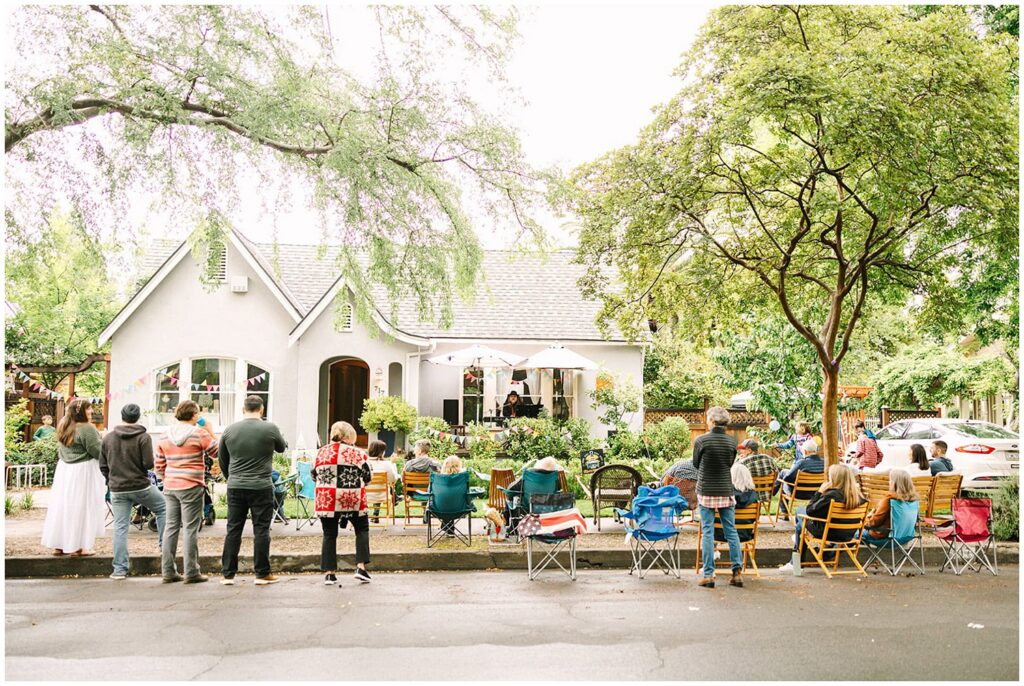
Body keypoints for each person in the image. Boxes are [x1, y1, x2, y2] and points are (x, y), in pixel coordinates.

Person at [218, 395, 287, 586]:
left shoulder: (230, 430)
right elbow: (282, 448)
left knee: (233, 529)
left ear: (243, 409)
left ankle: (227, 574)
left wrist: (231, 477)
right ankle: (262, 573)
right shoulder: (270, 428)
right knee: (262, 530)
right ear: (262, 410)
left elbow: (222, 459)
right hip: (261, 486)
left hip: (236, 486)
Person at [100, 403, 167, 580]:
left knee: (121, 527)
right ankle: (164, 549)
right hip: (140, 486)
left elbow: (103, 465)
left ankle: (119, 570)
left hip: (117, 489)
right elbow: (148, 464)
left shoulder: (108, 438)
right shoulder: (143, 437)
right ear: (138, 417)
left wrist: (111, 480)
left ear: (122, 416)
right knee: (162, 508)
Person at [155, 400, 217, 584]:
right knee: (190, 528)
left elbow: (158, 464)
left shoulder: (165, 435)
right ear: (194, 415)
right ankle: (191, 571)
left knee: (171, 527)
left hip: (171, 485)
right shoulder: (199, 433)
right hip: (191, 485)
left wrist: (166, 478)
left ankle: (168, 571)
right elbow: (215, 451)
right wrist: (210, 430)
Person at [41, 399, 106, 557]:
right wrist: (104, 438)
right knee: (82, 507)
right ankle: (80, 547)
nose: (91, 412)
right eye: (89, 409)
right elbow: (97, 451)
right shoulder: (87, 428)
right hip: (83, 471)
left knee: (63, 506)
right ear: (81, 411)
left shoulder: (64, 425)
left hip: (65, 470)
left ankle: (59, 545)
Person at [314, 421, 372, 586]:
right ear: (349, 436)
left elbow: (313, 475)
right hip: (351, 498)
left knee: (329, 534)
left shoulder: (320, 453)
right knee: (361, 529)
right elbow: (368, 476)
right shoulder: (357, 453)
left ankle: (329, 573)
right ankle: (361, 567)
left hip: (327, 499)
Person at [692, 406, 743, 589]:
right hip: (725, 489)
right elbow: (729, 463)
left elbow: (696, 464)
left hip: (706, 489)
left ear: (712, 421)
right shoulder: (732, 442)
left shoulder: (701, 440)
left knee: (708, 532)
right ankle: (737, 572)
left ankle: (708, 574)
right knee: (731, 531)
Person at [782, 463, 865, 571]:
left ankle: (796, 563)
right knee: (800, 527)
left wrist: (819, 492)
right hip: (848, 534)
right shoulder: (859, 496)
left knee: (799, 514)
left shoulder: (832, 495)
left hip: (828, 533)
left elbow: (810, 510)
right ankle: (799, 552)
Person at [862, 469, 918, 539]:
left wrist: (865, 519)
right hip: (905, 537)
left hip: (884, 536)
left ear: (894, 483)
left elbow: (874, 522)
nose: (889, 482)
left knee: (854, 534)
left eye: (890, 480)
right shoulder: (913, 500)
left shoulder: (889, 499)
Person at [773, 439, 825, 511]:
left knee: (783, 475)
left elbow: (788, 478)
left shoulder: (801, 463)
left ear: (805, 451)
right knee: (784, 473)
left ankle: (783, 511)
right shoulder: (825, 463)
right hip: (817, 493)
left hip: (799, 493)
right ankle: (773, 492)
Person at [366, 440, 397, 523]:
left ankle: (368, 516)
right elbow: (393, 480)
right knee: (380, 488)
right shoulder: (386, 464)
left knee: (375, 488)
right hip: (381, 496)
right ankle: (376, 515)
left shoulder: (364, 463)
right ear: (382, 452)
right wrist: (393, 464)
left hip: (364, 496)